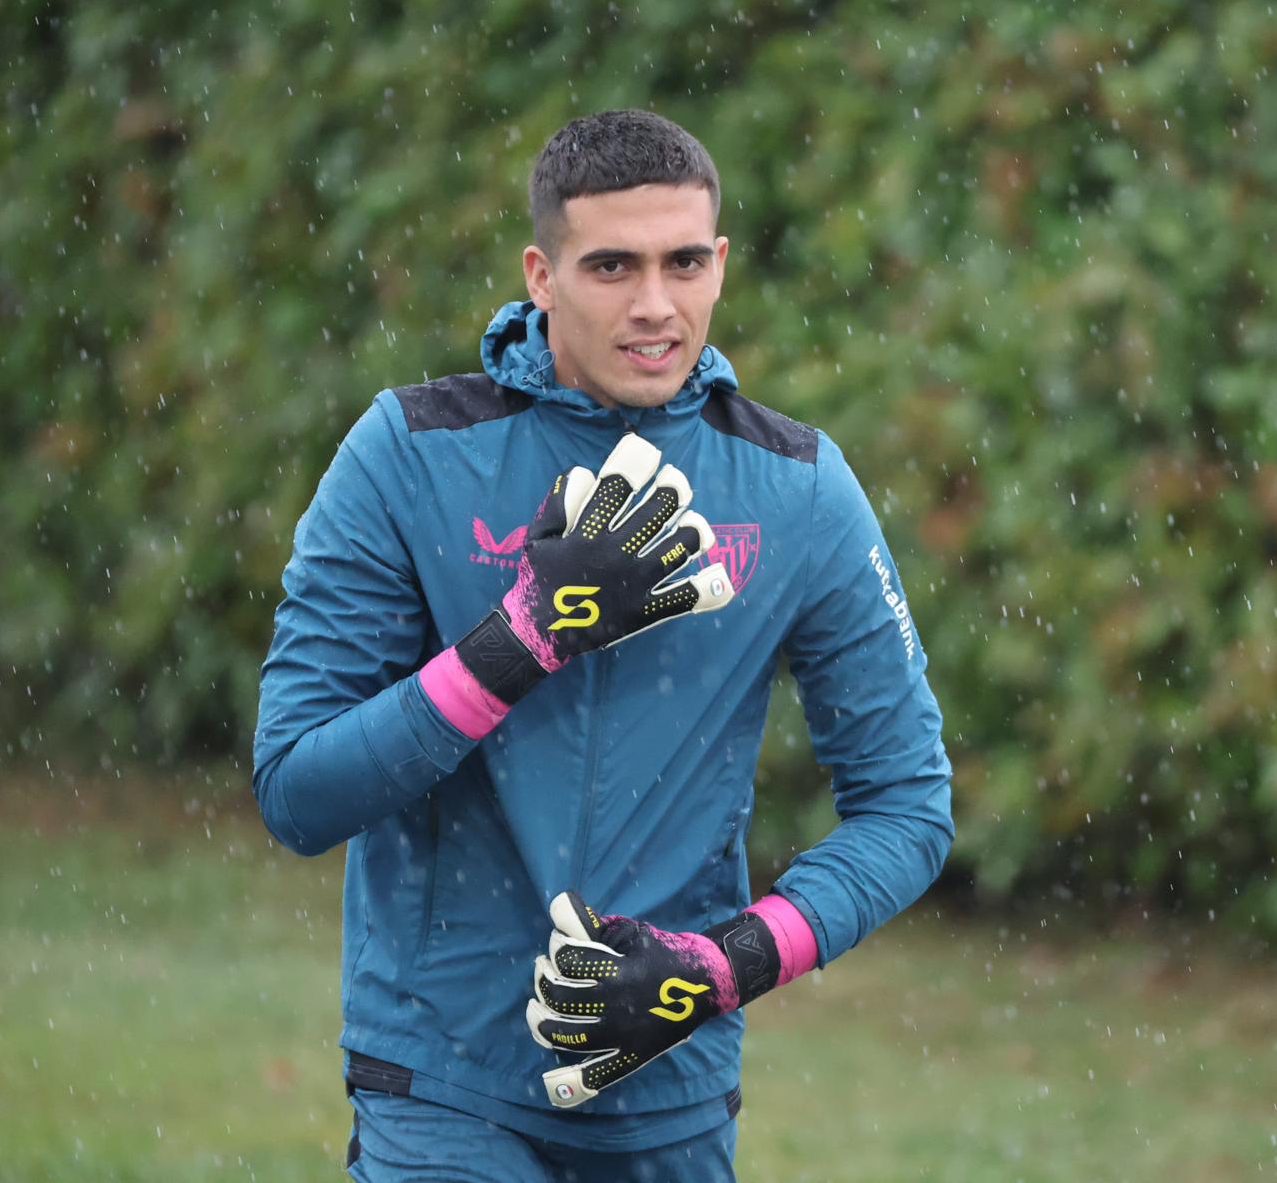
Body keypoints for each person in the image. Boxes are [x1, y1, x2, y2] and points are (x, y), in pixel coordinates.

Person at [252, 108, 954, 1182]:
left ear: (721, 263)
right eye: (612, 265)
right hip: (440, 1082)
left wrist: (721, 966)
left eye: (683, 263)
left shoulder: (801, 489)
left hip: (670, 1097)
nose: (655, 305)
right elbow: (298, 791)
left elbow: (908, 805)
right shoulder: (408, 454)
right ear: (540, 273)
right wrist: (519, 640)